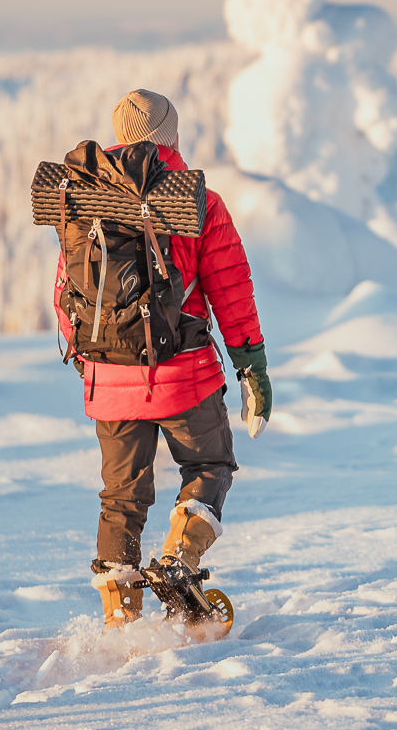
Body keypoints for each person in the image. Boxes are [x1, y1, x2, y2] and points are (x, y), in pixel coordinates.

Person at [54, 90, 273, 627]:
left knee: (122, 498)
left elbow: (66, 292)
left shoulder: (84, 201)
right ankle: (180, 557)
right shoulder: (198, 201)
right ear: (170, 140)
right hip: (185, 373)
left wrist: (91, 361)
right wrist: (253, 368)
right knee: (209, 465)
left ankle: (119, 622)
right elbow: (230, 291)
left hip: (107, 374)